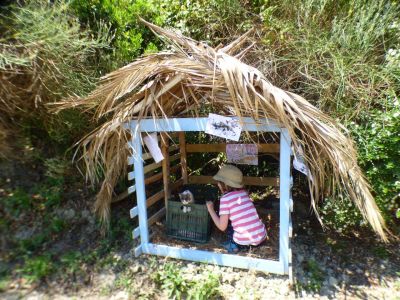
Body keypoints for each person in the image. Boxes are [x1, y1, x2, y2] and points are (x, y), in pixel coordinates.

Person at [206, 164, 267, 253]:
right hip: (262, 237)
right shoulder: (244, 193)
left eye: (219, 182)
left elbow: (222, 227)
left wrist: (210, 209)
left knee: (229, 229)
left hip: (244, 242)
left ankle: (235, 246)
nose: (218, 184)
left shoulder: (225, 199)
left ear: (225, 184)